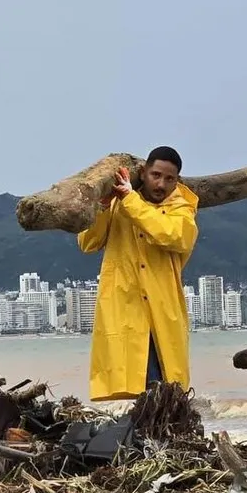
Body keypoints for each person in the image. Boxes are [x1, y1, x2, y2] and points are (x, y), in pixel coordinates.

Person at [76, 146, 199, 402]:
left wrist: (130, 200)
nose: (161, 183)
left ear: (177, 180)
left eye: (169, 178)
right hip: (125, 306)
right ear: (143, 173)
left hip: (162, 309)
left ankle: (160, 436)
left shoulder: (183, 209)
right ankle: (148, 437)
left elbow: (171, 235)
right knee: (140, 384)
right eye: (156, 175)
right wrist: (102, 206)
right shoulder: (118, 205)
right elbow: (87, 243)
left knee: (166, 386)